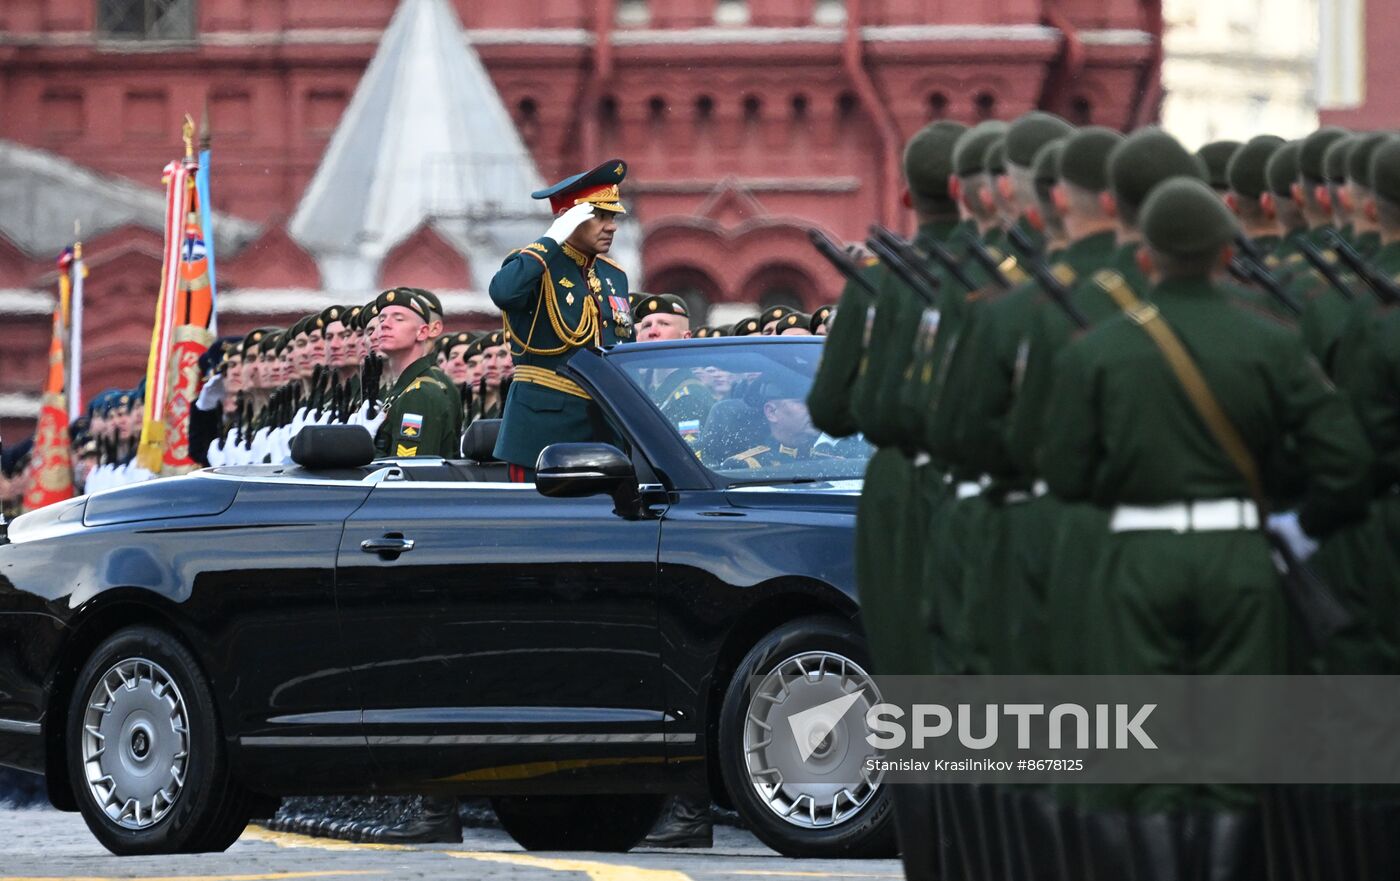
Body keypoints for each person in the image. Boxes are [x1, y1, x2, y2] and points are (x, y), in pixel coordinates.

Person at [1040, 176, 1371, 879]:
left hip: (1138, 556)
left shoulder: (1098, 350)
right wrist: (1302, 523)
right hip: (1238, 555)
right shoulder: (1270, 341)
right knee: (1229, 753)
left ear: (1147, 258)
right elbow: (1346, 461)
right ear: (1227, 254)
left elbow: (1064, 474)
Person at [489, 159, 632, 481]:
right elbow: (503, 292)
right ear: (568, 221)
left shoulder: (613, 275)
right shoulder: (535, 265)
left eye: (612, 217)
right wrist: (552, 239)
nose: (611, 226)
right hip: (542, 433)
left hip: (605, 430)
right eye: (599, 217)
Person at [367, 287, 462, 459]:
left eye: (398, 319)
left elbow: (407, 471)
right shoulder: (403, 388)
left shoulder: (419, 393)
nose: (385, 325)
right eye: (382, 319)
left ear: (422, 332)